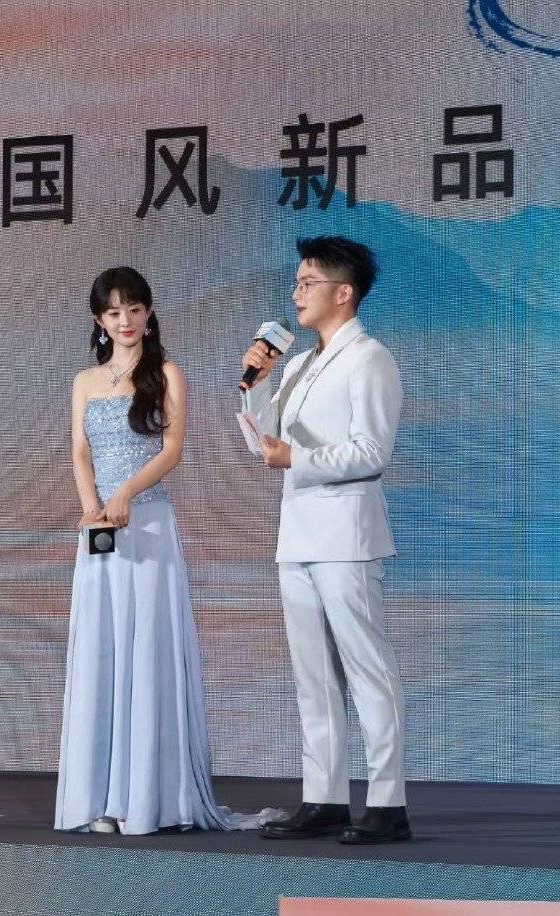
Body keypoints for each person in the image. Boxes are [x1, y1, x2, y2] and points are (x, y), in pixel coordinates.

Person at [55, 266, 273, 835]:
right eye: (113, 312)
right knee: (102, 648)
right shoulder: (84, 381)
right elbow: (80, 451)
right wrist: (92, 506)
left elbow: (172, 448)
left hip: (148, 525)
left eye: (134, 309)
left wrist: (125, 493)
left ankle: (147, 798)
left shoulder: (168, 373)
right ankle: (101, 799)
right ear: (99, 321)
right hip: (100, 530)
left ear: (149, 313)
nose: (125, 320)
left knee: (147, 648)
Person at [240, 236, 411, 844]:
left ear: (344, 292)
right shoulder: (298, 364)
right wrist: (257, 386)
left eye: (307, 282)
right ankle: (325, 797)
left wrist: (300, 458)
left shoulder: (369, 359)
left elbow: (372, 452)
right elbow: (265, 445)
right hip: (298, 536)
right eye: (296, 282)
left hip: (346, 537)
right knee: (312, 675)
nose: (297, 293)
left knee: (367, 671)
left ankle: (387, 803)